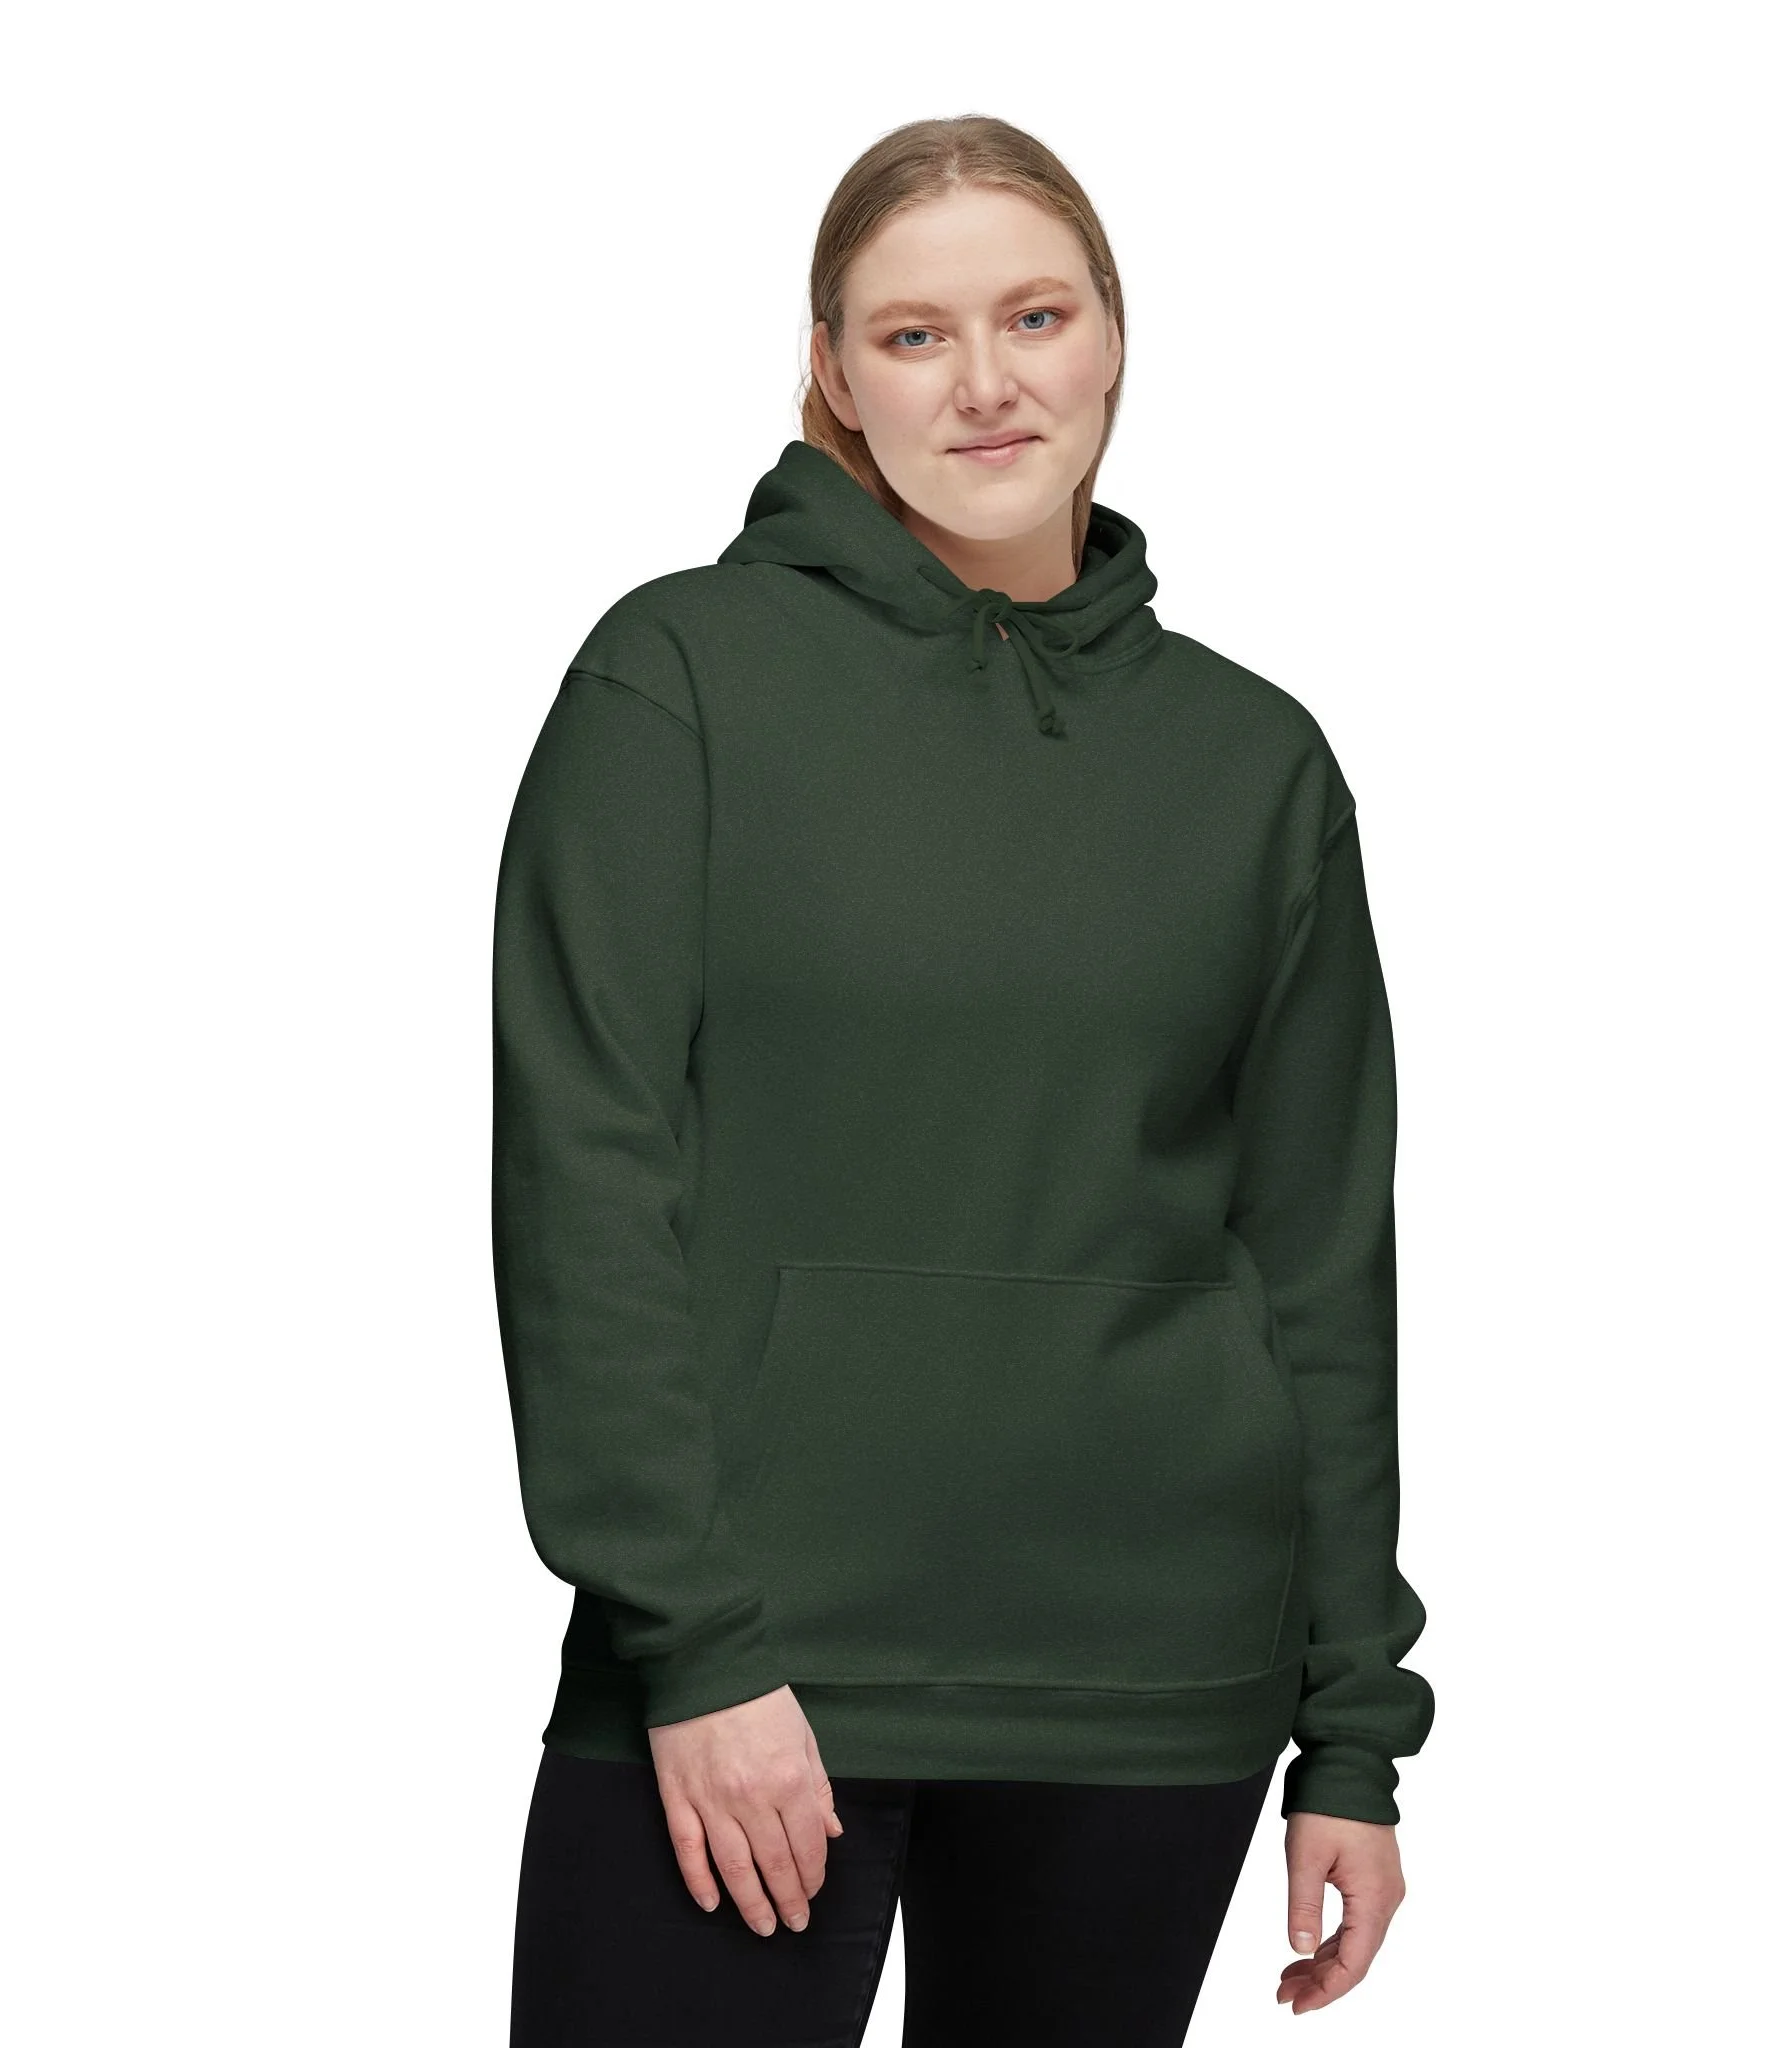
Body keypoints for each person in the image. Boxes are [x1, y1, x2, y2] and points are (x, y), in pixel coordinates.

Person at [492, 114, 1436, 2046]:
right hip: (756, 1675)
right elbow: (585, 1187)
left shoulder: (1256, 766)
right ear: (834, 373)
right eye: (914, 335)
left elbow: (1321, 1264)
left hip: (1154, 1689)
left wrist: (1351, 1730)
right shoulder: (676, 685)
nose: (987, 382)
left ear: (1114, 338)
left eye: (1036, 316)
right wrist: (693, 1644)